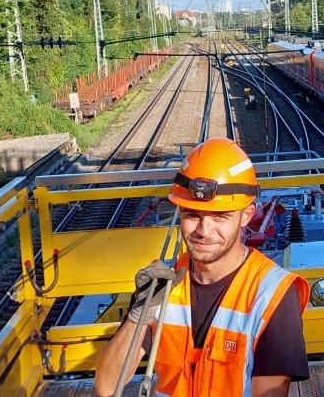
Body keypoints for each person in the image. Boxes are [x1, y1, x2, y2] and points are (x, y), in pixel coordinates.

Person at [94, 137, 310, 397]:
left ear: (246, 216)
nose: (203, 230)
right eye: (192, 215)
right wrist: (138, 316)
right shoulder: (164, 286)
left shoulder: (272, 295)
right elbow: (106, 386)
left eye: (220, 217)